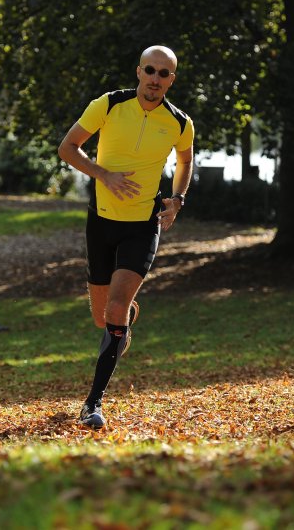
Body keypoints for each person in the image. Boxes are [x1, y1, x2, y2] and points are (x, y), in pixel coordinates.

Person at [58, 45, 194, 429]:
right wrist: (104, 175)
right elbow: (68, 148)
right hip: (101, 221)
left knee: (114, 310)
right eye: (150, 70)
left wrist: (177, 199)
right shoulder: (108, 104)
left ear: (171, 80)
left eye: (163, 73)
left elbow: (186, 160)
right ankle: (123, 319)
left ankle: (93, 403)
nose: (155, 79)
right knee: (103, 319)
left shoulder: (179, 122)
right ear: (138, 72)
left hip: (142, 225)